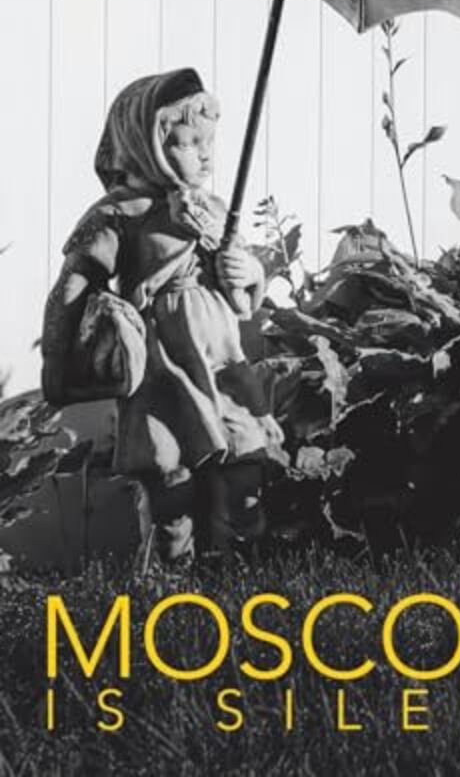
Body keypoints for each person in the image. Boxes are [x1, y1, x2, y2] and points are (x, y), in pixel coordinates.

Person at [41, 67, 285, 564]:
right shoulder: (119, 214)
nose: (205, 154)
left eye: (208, 142)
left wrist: (249, 272)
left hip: (220, 360)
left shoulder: (214, 209)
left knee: (244, 467)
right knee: (171, 481)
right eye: (189, 142)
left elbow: (242, 302)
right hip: (162, 364)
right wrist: (59, 356)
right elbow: (74, 284)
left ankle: (240, 564)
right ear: (145, 146)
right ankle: (172, 571)